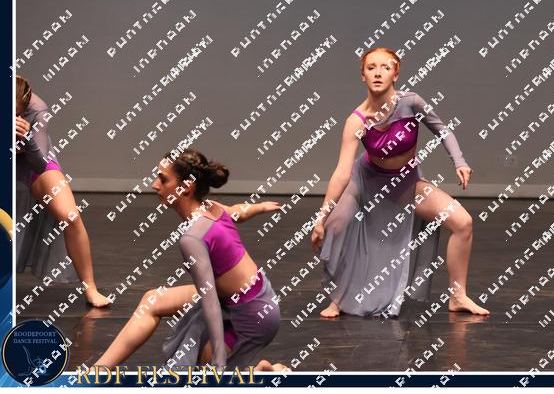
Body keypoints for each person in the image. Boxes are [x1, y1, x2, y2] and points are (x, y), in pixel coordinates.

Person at [311, 47, 489, 318]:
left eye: (385, 67)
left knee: (463, 223)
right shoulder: (356, 121)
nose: (378, 73)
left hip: (405, 184)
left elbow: (442, 130)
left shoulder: (411, 103)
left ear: (396, 74)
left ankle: (458, 296)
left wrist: (460, 161)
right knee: (336, 226)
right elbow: (342, 173)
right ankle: (339, 299)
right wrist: (321, 218)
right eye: (371, 67)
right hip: (365, 181)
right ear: (362, 75)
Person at [95, 149, 284, 369]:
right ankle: (98, 370)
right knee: (153, 300)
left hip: (254, 316)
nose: (154, 185)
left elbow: (210, 300)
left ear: (186, 187)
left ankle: (266, 371)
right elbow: (238, 211)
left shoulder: (192, 239)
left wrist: (218, 362)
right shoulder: (212, 207)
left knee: (204, 368)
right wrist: (260, 207)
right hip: (251, 295)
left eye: (163, 179)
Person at [15, 75, 110, 307]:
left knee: (70, 215)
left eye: (16, 114)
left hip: (31, 161)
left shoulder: (37, 108)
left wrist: (27, 138)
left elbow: (39, 163)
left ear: (23, 109)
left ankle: (90, 288)